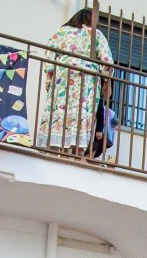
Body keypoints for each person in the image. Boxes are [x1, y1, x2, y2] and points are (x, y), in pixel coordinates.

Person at [36, 9, 113, 154]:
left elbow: (49, 56)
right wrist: (106, 81)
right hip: (87, 78)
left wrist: (49, 81)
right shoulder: (95, 34)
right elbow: (107, 61)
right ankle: (77, 151)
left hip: (62, 75)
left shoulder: (61, 32)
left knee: (61, 109)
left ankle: (59, 149)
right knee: (82, 112)